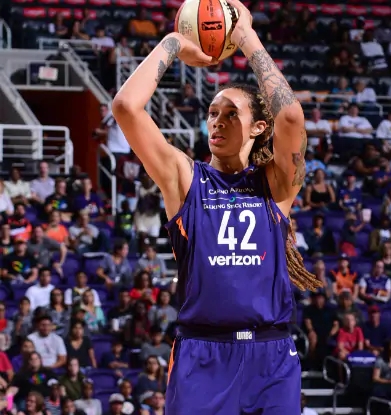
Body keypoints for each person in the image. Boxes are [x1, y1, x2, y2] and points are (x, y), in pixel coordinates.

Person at [112, 1, 321, 412]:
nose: (218, 122)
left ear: (259, 128)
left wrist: (246, 38)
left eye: (231, 114)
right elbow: (125, 107)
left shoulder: (276, 185)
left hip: (271, 356)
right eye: (212, 113)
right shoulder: (186, 179)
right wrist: (172, 42)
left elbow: (292, 117)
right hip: (202, 354)